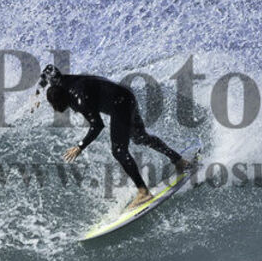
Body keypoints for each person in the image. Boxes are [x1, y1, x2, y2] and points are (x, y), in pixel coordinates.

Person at [37, 64, 193, 210]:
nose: (56, 109)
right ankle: (179, 160)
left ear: (64, 99)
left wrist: (80, 146)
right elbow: (49, 68)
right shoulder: (58, 82)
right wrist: (37, 93)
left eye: (57, 106)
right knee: (140, 138)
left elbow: (97, 125)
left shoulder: (80, 99)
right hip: (125, 95)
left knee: (119, 150)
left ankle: (143, 192)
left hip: (121, 104)